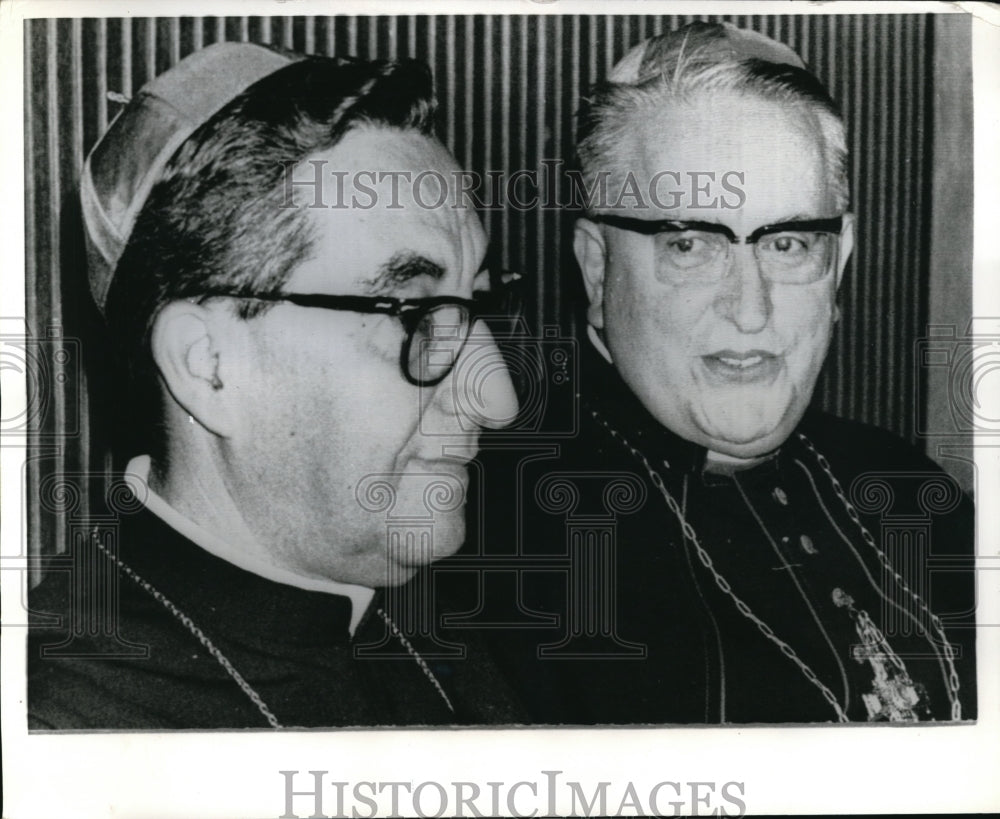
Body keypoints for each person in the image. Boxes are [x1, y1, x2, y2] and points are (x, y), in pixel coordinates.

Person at [468, 22, 976, 724]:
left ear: (841, 260)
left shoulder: (914, 495)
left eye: (790, 242)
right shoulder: (498, 545)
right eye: (691, 244)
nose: (750, 308)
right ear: (597, 266)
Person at [28, 42, 524, 729]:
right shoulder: (66, 731)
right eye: (413, 314)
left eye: (476, 304)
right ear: (210, 365)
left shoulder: (446, 621)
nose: (498, 398)